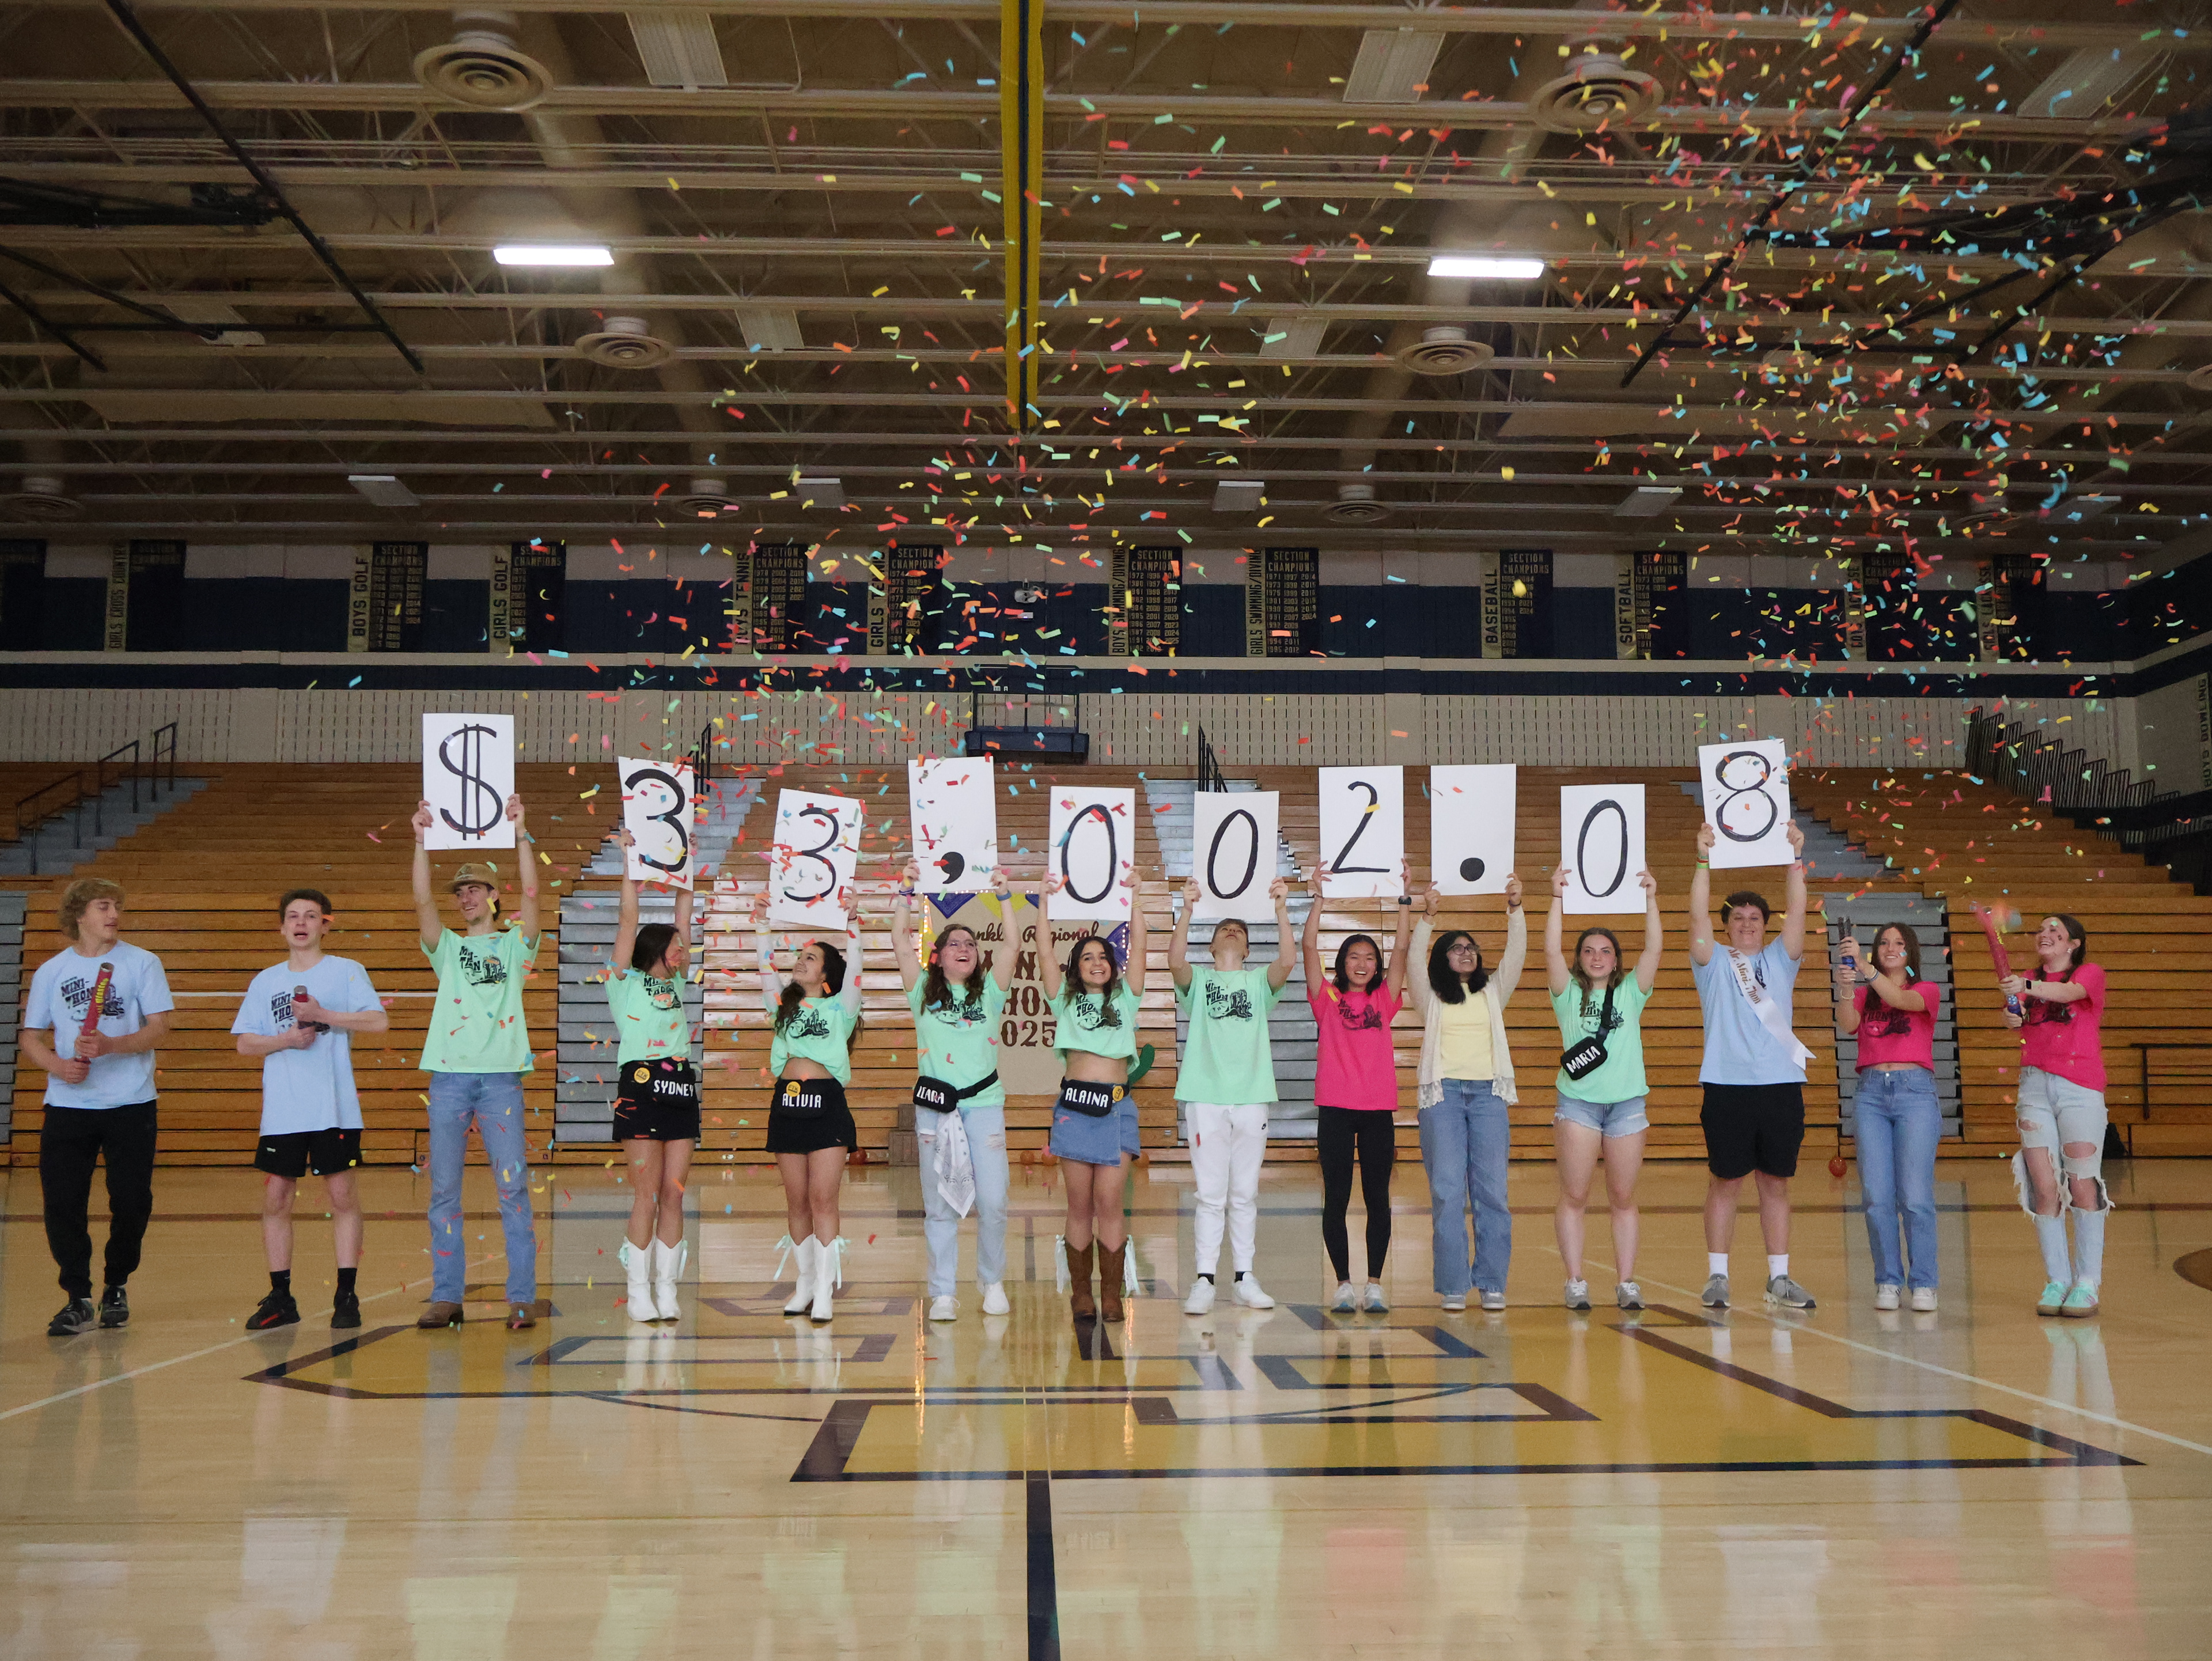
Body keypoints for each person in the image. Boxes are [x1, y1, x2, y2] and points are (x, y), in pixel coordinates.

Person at [411, 793, 541, 1332]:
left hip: (501, 1080)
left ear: (493, 895)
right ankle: (447, 1295)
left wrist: (522, 833)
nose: (465, 897)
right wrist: (420, 841)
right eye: (460, 891)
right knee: (444, 1189)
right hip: (448, 1077)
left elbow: (533, 896)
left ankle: (522, 1297)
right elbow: (422, 900)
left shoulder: (515, 947)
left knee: (512, 1188)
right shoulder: (446, 948)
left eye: (475, 889)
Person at [22, 877, 173, 1337]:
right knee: (63, 1201)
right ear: (79, 914)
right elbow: (31, 1036)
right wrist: (58, 1066)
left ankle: (117, 1284)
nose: (114, 915)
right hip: (68, 1106)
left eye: (116, 906)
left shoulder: (142, 962)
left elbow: (159, 1027)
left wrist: (111, 1045)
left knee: (131, 1200)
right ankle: (77, 1296)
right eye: (103, 906)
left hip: (131, 1103)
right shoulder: (52, 971)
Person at [233, 889, 389, 1331]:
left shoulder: (346, 971)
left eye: (311, 915)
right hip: (284, 1110)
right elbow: (245, 1043)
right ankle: (281, 1295)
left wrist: (325, 1014)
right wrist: (285, 1039)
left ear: (325, 924)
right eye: (293, 916)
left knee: (342, 1196)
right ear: (282, 927)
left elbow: (378, 1021)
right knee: (276, 1198)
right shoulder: (266, 981)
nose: (301, 922)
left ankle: (346, 1294)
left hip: (333, 1107)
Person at [1686, 819, 1816, 1312]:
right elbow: (1696, 914)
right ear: (1726, 927)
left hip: (1780, 1087)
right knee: (1725, 1182)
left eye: (1755, 918)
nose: (1746, 924)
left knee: (1775, 1183)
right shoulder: (1712, 962)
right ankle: (1718, 1276)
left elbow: (1798, 910)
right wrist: (1703, 858)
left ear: (1765, 924)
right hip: (1726, 1086)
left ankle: (1779, 1278)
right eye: (1738, 918)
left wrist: (1795, 857)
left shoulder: (1782, 959)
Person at [608, 833, 726, 1325]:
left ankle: (667, 1287)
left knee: (675, 1191)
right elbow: (628, 919)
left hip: (680, 1084)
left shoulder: (676, 981)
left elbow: (684, 913)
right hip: (640, 1084)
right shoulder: (624, 980)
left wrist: (686, 864)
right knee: (648, 1192)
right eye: (678, 946)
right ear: (657, 949)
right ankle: (638, 1291)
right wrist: (629, 866)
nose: (684, 949)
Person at [892, 862, 1018, 1322]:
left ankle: (992, 1279)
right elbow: (899, 938)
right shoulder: (922, 993)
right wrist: (906, 890)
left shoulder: (990, 994)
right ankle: (943, 1291)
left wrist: (1004, 897)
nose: (964, 948)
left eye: (970, 944)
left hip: (984, 1105)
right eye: (954, 944)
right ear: (939, 956)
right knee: (938, 1203)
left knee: (994, 1199)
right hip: (935, 1109)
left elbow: (1012, 944)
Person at [1172, 875, 1296, 1316]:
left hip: (1251, 1097)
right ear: (1211, 946)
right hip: (1205, 1096)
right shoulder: (1199, 982)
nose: (1231, 931)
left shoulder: (1259, 983)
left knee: (1244, 1192)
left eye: (1239, 930)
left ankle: (1244, 1277)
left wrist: (1281, 908)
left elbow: (1288, 959)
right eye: (1224, 928)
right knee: (1210, 1193)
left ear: (1247, 949)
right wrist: (1187, 909)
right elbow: (1174, 961)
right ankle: (1205, 1279)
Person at [1545, 864, 1662, 1314]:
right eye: (1589, 951)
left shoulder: (1633, 992)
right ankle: (1575, 1280)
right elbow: (1550, 949)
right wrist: (1557, 898)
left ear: (1616, 960)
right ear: (1580, 959)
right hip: (1578, 1105)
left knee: (1623, 1198)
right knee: (1575, 1195)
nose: (1597, 957)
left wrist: (1650, 898)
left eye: (1606, 951)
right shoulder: (1567, 994)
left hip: (1627, 1105)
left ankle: (1627, 1282)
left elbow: (1655, 948)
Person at [1408, 876, 1526, 1312]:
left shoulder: (1493, 991)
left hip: (1488, 1095)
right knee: (1446, 1191)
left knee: (1492, 1191)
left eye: (1471, 948)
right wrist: (1427, 917)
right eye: (1456, 948)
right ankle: (1454, 1283)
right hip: (1443, 1097)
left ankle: (1492, 1281)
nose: (1466, 952)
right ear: (1443, 956)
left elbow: (1517, 954)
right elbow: (1414, 963)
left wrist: (1515, 908)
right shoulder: (1430, 997)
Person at [1037, 872, 1149, 1320]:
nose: (1097, 962)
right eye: (1087, 957)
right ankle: (1081, 1292)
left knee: (1110, 1201)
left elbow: (1141, 945)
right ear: (1076, 967)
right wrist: (1043, 901)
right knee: (1079, 1204)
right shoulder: (1063, 1000)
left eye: (1103, 956)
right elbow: (1044, 950)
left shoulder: (1127, 998)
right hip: (1074, 1110)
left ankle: (1112, 1293)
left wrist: (1136, 897)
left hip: (1117, 1108)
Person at [1300, 876, 1412, 1314]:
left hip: (1377, 1111)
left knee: (1377, 1198)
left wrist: (1404, 900)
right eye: (1353, 956)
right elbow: (1309, 947)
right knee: (1337, 1197)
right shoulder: (1326, 998)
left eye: (1369, 957)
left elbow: (1401, 951)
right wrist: (1319, 900)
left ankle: (1375, 1284)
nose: (1362, 963)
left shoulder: (1385, 999)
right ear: (1342, 962)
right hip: (1335, 1110)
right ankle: (1344, 1284)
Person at [753, 892, 865, 1323]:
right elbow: (766, 970)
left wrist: (854, 925)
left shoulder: (842, 1007)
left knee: (823, 1198)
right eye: (799, 956)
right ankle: (804, 1281)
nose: (800, 962)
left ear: (826, 973)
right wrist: (761, 924)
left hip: (827, 1104)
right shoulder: (783, 1007)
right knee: (796, 1198)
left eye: (810, 958)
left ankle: (824, 1289)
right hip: (787, 1102)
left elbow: (857, 968)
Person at [2002, 914, 2109, 1318]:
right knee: (2044, 1185)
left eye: (2055, 931)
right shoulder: (2028, 979)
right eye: (2041, 930)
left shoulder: (2089, 973)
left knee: (2082, 1181)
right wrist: (2012, 1013)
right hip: (2034, 1086)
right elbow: (2015, 1018)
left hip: (2080, 1087)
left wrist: (2025, 987)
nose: (2045, 935)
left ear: (2073, 943)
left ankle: (2088, 1282)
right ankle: (2057, 1279)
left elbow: (2068, 993)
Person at [1834, 922, 1943, 1312]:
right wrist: (1847, 986)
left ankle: (1924, 1282)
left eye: (1899, 943)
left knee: (1915, 1195)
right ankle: (1887, 1280)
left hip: (1915, 1093)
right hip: (1871, 1094)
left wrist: (1865, 968)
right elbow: (1848, 1023)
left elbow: (1899, 999)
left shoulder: (1925, 989)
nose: (1891, 948)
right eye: (1884, 942)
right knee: (1876, 1196)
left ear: (1911, 951)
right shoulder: (1866, 993)